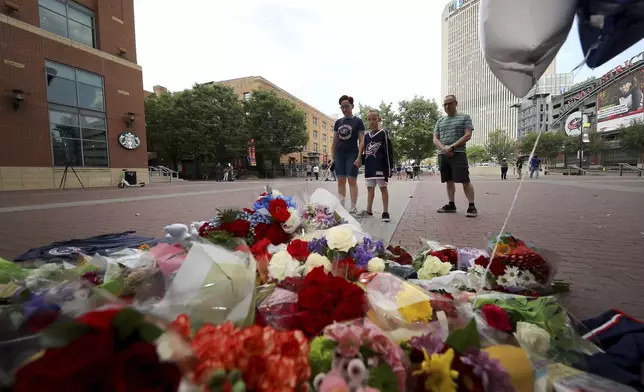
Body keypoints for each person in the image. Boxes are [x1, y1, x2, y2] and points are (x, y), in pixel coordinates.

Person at [434, 94, 477, 218]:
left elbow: (467, 135)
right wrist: (443, 149)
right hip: (443, 154)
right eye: (445, 104)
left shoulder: (465, 117)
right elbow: (435, 138)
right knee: (448, 180)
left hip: (458, 153)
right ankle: (451, 204)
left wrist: (452, 147)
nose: (447, 106)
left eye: (450, 103)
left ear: (456, 104)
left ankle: (472, 206)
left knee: (465, 180)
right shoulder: (440, 121)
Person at [332, 95, 365, 214]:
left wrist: (360, 156)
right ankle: (341, 206)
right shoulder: (338, 122)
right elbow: (335, 141)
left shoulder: (358, 121)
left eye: (347, 106)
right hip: (339, 154)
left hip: (352, 153)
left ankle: (353, 206)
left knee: (352, 180)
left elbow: (362, 141)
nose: (345, 109)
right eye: (342, 107)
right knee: (340, 180)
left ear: (352, 106)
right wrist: (333, 156)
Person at [362, 109, 394, 222]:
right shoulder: (366, 136)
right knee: (370, 189)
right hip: (369, 167)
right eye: (369, 119)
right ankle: (368, 210)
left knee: (383, 189)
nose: (371, 121)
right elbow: (365, 152)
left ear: (379, 119)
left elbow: (388, 151)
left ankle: (385, 212)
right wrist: (360, 161)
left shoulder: (383, 133)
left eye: (374, 119)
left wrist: (389, 169)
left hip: (380, 167)